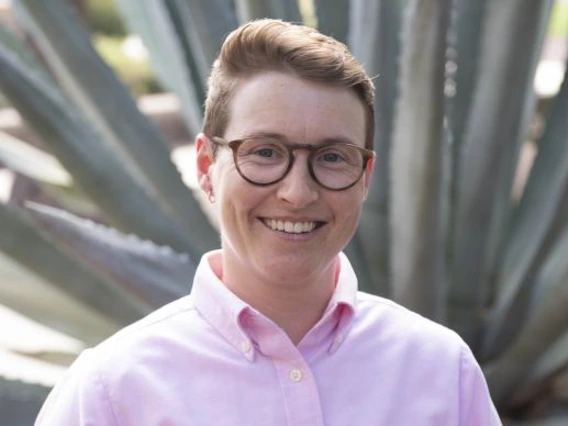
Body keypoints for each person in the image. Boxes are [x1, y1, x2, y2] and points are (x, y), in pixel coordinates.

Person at [35, 19, 501, 425]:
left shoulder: (443, 373)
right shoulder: (111, 394)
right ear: (205, 166)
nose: (297, 193)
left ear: (365, 177)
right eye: (264, 152)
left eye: (333, 157)